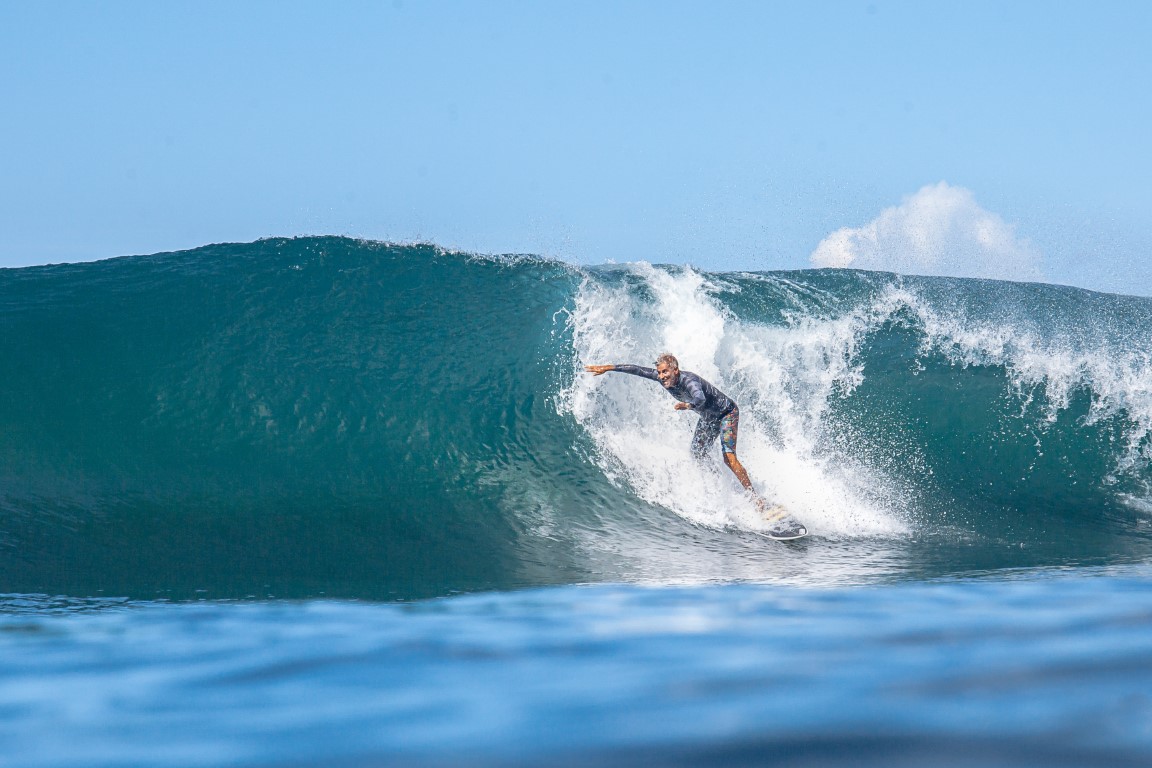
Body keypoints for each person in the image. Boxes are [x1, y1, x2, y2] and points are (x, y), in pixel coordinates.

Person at [585, 353, 766, 506]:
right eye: (659, 372)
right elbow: (638, 370)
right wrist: (609, 367)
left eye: (665, 372)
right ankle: (725, 482)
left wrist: (688, 405)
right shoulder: (661, 378)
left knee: (729, 457)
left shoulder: (689, 381)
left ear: (675, 370)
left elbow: (700, 398)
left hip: (727, 414)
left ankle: (756, 499)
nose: (662, 376)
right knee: (697, 453)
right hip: (709, 418)